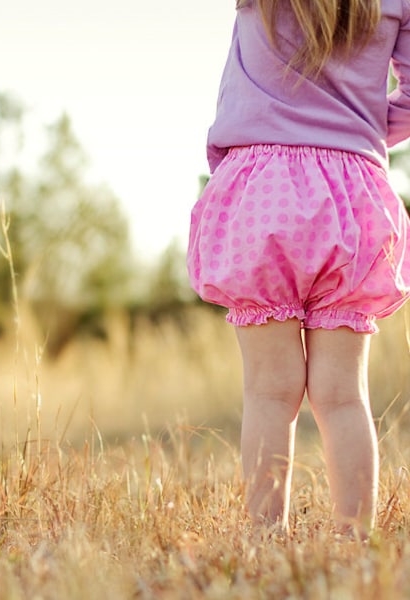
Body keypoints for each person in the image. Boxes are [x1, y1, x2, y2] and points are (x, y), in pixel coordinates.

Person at [187, 0, 410, 537]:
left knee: (268, 389)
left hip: (262, 185)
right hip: (354, 191)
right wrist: (360, 134)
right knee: (343, 393)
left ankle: (266, 541)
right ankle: (356, 541)